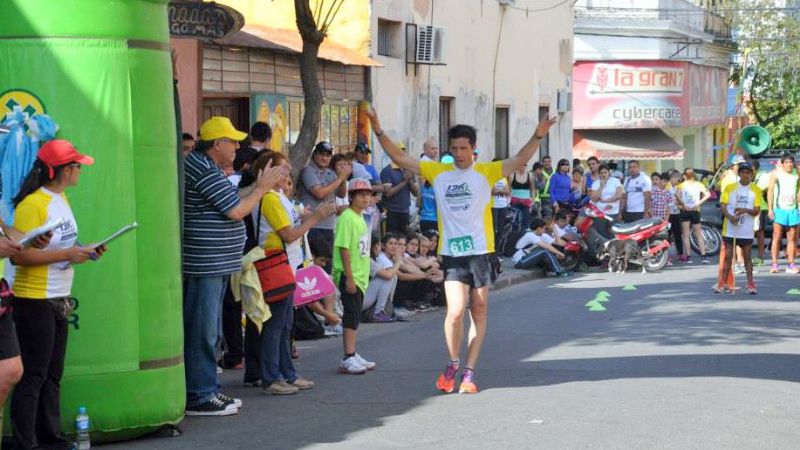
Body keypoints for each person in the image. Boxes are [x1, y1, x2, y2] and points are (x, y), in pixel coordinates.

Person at [365, 106, 556, 394]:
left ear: (473, 148)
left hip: (481, 253)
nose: (459, 153)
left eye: (464, 148)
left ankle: (469, 372)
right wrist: (378, 129)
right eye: (454, 148)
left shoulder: (486, 171)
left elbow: (520, 159)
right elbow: (399, 157)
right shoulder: (438, 171)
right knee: (454, 312)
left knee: (478, 310)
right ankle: (453, 362)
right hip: (453, 254)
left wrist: (538, 135)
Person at [181, 117, 284, 416]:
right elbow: (238, 210)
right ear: (217, 145)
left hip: (215, 263)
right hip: (205, 263)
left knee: (211, 330)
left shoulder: (209, 168)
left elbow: (233, 198)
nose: (238, 146)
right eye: (232, 141)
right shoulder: (202, 168)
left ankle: (209, 388)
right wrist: (262, 187)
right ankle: (199, 395)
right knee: (203, 330)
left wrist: (256, 186)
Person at [9, 140, 107, 449]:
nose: (80, 170)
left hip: (58, 296)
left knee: (52, 374)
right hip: (34, 299)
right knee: (34, 375)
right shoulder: (32, 205)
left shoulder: (61, 197)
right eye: (77, 165)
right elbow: (18, 256)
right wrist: (68, 253)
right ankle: (27, 442)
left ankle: (49, 437)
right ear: (62, 170)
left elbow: (59, 248)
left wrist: (84, 251)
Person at [251, 151, 334, 394]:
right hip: (277, 265)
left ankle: (286, 374)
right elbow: (288, 234)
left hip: (286, 265)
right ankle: (272, 377)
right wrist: (316, 217)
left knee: (285, 324)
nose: (288, 173)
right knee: (277, 324)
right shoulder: (270, 199)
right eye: (282, 169)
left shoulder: (279, 198)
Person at [333, 178, 376, 375]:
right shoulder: (347, 218)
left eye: (368, 194)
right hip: (350, 274)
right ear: (351, 197)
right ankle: (348, 356)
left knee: (355, 315)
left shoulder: (361, 217)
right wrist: (349, 276)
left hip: (360, 274)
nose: (366, 197)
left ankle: (353, 352)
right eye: (361, 194)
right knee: (350, 316)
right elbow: (343, 248)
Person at [715, 162, 761, 294]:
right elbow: (723, 205)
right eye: (743, 172)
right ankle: (722, 283)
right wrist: (730, 217)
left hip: (746, 229)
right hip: (730, 228)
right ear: (739, 173)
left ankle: (751, 284)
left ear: (752, 174)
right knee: (728, 256)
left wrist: (745, 210)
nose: (745, 175)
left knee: (747, 257)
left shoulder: (756, 190)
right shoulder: (730, 188)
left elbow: (757, 210)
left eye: (748, 172)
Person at [298, 141, 350, 253]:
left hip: (329, 226)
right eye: (321, 154)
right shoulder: (308, 171)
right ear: (314, 154)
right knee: (315, 264)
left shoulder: (331, 173)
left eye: (328, 155)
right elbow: (319, 193)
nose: (324, 158)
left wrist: (344, 178)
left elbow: (341, 194)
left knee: (327, 265)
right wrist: (340, 179)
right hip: (313, 226)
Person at [767, 153, 800, 273]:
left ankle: (791, 264)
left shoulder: (796, 174)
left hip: (793, 210)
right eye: (786, 162)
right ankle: (774, 264)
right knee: (777, 236)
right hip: (779, 209)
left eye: (791, 162)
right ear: (782, 164)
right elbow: (770, 191)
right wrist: (770, 209)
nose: (789, 164)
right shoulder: (776, 174)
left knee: (791, 238)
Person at [675, 168, 712, 264]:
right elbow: (708, 194)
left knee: (686, 235)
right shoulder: (699, 184)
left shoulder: (681, 185)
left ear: (684, 176)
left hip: (685, 210)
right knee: (698, 234)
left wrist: (683, 204)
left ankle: (689, 257)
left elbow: (677, 195)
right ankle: (703, 255)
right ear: (694, 175)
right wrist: (698, 203)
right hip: (695, 210)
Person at [380, 145, 419, 234]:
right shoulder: (387, 171)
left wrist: (410, 180)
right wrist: (404, 182)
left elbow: (416, 193)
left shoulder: (409, 170)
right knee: (391, 239)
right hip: (391, 212)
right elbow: (388, 193)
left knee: (403, 240)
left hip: (405, 211)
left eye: (403, 154)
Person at [363, 234, 402, 322]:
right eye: (379, 246)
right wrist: (398, 263)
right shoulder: (368, 260)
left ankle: (386, 309)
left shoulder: (373, 259)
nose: (380, 249)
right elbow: (388, 275)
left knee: (392, 276)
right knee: (389, 277)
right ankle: (378, 312)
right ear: (375, 247)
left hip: (363, 298)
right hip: (359, 301)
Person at [752, 159, 769, 265]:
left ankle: (760, 257)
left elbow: (765, 187)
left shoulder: (762, 176)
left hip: (761, 207)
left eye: (752, 169)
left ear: (756, 169)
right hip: (749, 207)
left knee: (759, 232)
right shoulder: (748, 176)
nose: (750, 171)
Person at [509, 162, 535, 230]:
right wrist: (507, 201)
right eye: (521, 164)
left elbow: (532, 189)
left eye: (525, 165)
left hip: (526, 202)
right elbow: (509, 189)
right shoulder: (512, 175)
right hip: (514, 202)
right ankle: (514, 236)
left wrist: (533, 200)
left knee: (526, 221)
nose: (523, 166)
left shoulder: (530, 175)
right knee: (515, 221)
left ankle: (524, 236)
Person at [667, 171, 684, 265]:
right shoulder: (667, 187)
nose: (678, 181)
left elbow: (682, 201)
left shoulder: (680, 188)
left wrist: (680, 203)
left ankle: (680, 253)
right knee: (667, 235)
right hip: (668, 214)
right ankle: (667, 255)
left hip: (677, 213)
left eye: (679, 180)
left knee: (678, 234)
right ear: (672, 178)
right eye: (677, 179)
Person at [491, 161, 512, 237]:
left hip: (503, 205)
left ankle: (499, 246)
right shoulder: (491, 176)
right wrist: (502, 191)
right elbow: (493, 191)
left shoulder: (504, 177)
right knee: (493, 227)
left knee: (501, 228)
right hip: (493, 205)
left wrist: (499, 191)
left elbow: (508, 191)